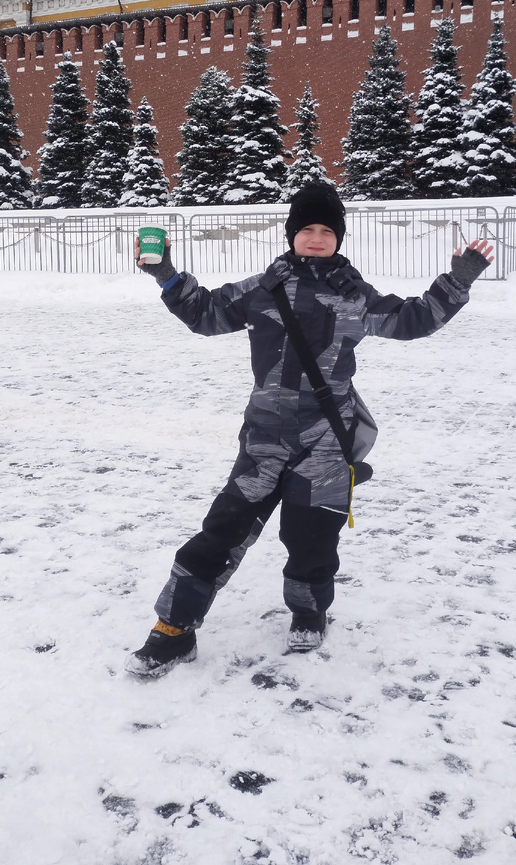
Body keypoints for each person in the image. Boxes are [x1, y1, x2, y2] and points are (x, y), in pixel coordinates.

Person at [126, 183, 493, 679]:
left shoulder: (354, 295)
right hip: (263, 441)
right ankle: (172, 629)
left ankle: (308, 610)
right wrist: (165, 275)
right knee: (221, 532)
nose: (316, 238)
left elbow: (413, 321)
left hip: (325, 443)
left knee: (312, 540)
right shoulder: (263, 288)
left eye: (326, 231)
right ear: (292, 235)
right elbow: (207, 313)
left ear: (339, 239)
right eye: (307, 230)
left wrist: (457, 280)